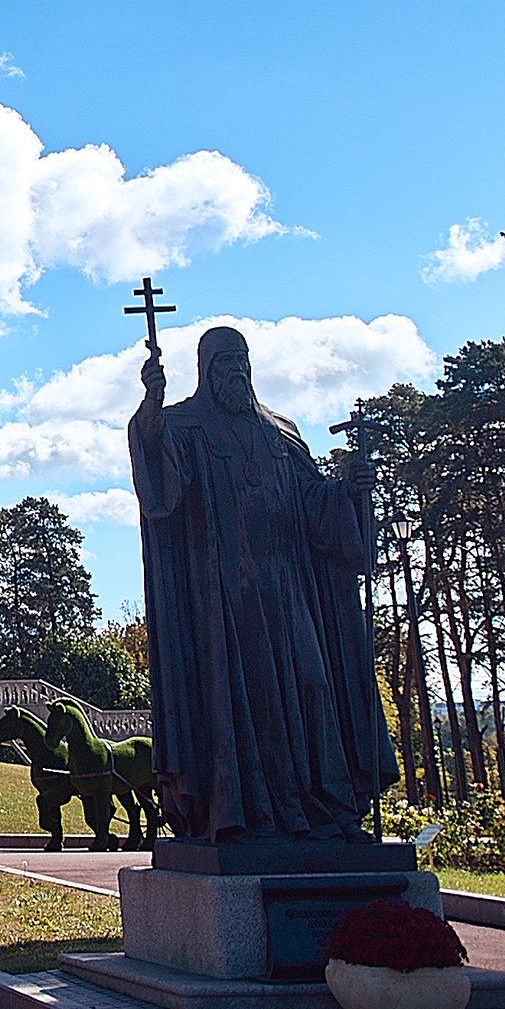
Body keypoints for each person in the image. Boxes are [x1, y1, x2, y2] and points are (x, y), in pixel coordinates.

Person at [128, 326, 395, 845]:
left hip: (289, 589)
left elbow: (315, 506)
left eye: (241, 360)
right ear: (206, 369)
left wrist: (350, 492)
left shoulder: (282, 432)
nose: (235, 371)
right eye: (223, 362)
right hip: (225, 597)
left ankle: (330, 808)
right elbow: (161, 487)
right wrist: (151, 411)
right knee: (243, 704)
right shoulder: (186, 426)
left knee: (314, 686)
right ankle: (247, 814)